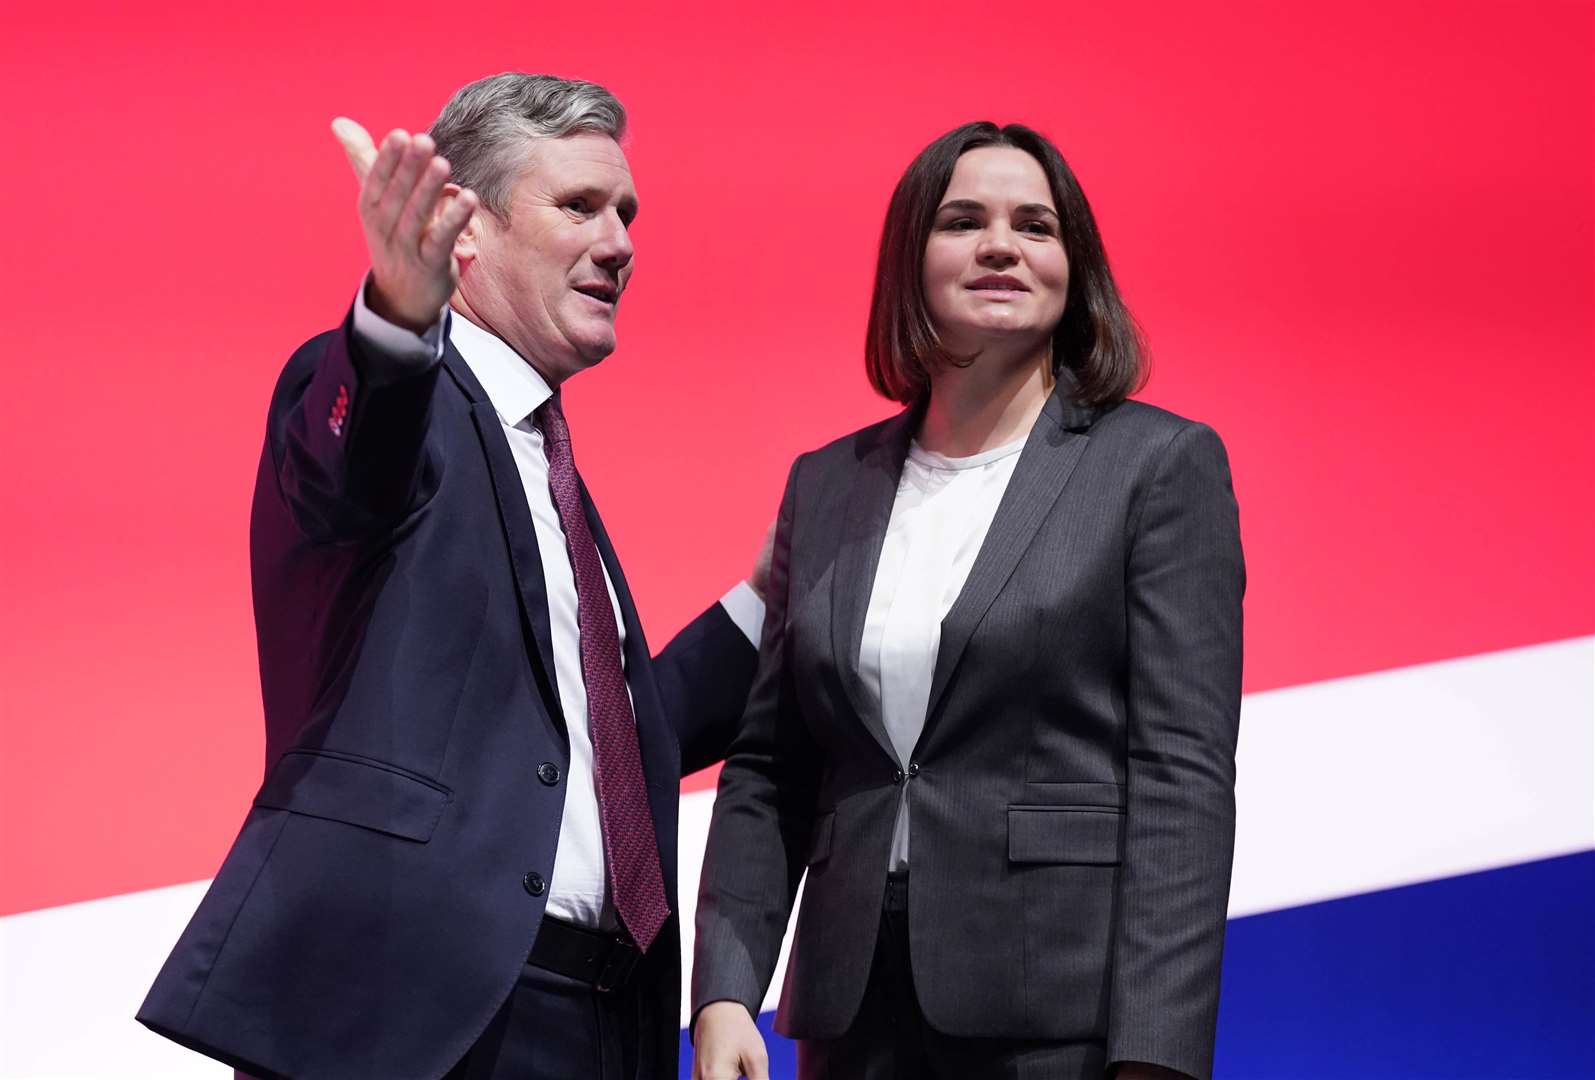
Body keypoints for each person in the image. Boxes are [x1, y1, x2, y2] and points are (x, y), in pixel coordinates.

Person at [137, 73, 766, 1080]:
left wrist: (775, 596)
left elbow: (608, 744)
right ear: (460, 232)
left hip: (597, 1019)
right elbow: (354, 463)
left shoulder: (548, 468)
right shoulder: (404, 400)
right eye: (577, 207)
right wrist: (392, 321)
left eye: (626, 212)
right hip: (423, 1016)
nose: (620, 243)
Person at [691, 121, 1245, 1080]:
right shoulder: (826, 483)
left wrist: (1156, 1053)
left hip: (1058, 1021)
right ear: (912, 260)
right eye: (963, 220)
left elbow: (1180, 782)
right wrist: (726, 989)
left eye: (1035, 224)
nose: (1001, 244)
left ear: (1074, 266)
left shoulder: (1156, 466)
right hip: (851, 1017)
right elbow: (769, 766)